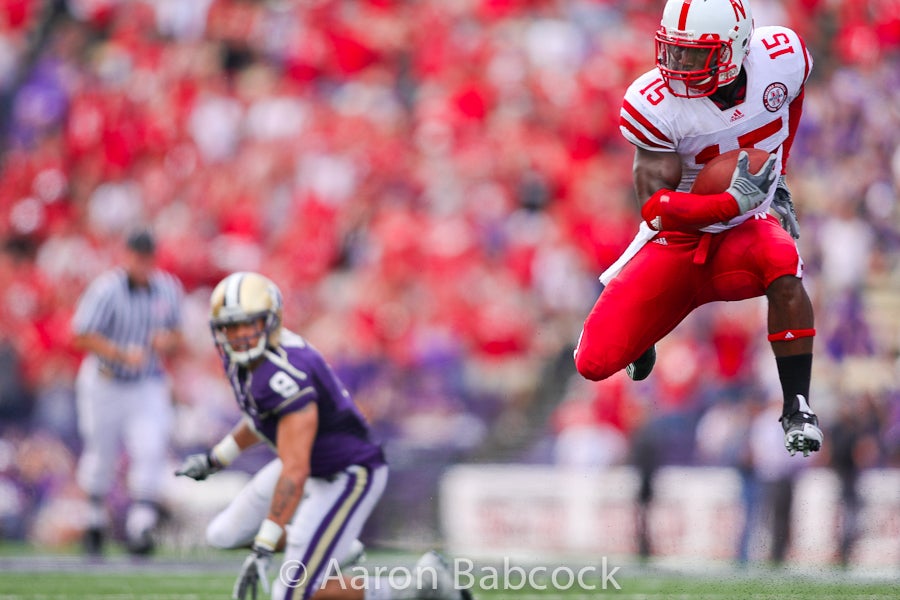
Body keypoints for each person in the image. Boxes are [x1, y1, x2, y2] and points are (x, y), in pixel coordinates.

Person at [574, 0, 823, 457]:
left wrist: (778, 174)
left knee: (783, 260)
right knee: (593, 362)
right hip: (680, 234)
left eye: (694, 55)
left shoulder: (782, 59)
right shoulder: (656, 104)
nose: (678, 66)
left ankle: (797, 405)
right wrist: (726, 202)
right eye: (673, 52)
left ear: (737, 49)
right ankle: (643, 337)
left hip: (746, 227)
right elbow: (654, 208)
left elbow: (793, 100)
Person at [176, 272, 472, 600]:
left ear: (271, 322)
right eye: (230, 327)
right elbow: (259, 419)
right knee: (223, 534)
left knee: (288, 596)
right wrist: (216, 458)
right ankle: (335, 544)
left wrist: (263, 546)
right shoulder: (244, 361)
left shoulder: (285, 373)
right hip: (306, 463)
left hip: (345, 473)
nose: (240, 336)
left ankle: (411, 588)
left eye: (249, 324)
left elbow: (296, 469)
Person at [71, 227, 184, 555]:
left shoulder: (167, 288)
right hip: (105, 381)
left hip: (146, 383)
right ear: (127, 256)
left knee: (150, 447)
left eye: (148, 256)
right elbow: (81, 334)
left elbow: (177, 334)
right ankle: (94, 521)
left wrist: (168, 341)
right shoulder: (107, 290)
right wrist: (120, 353)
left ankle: (141, 526)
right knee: (101, 451)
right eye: (137, 255)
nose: (142, 263)